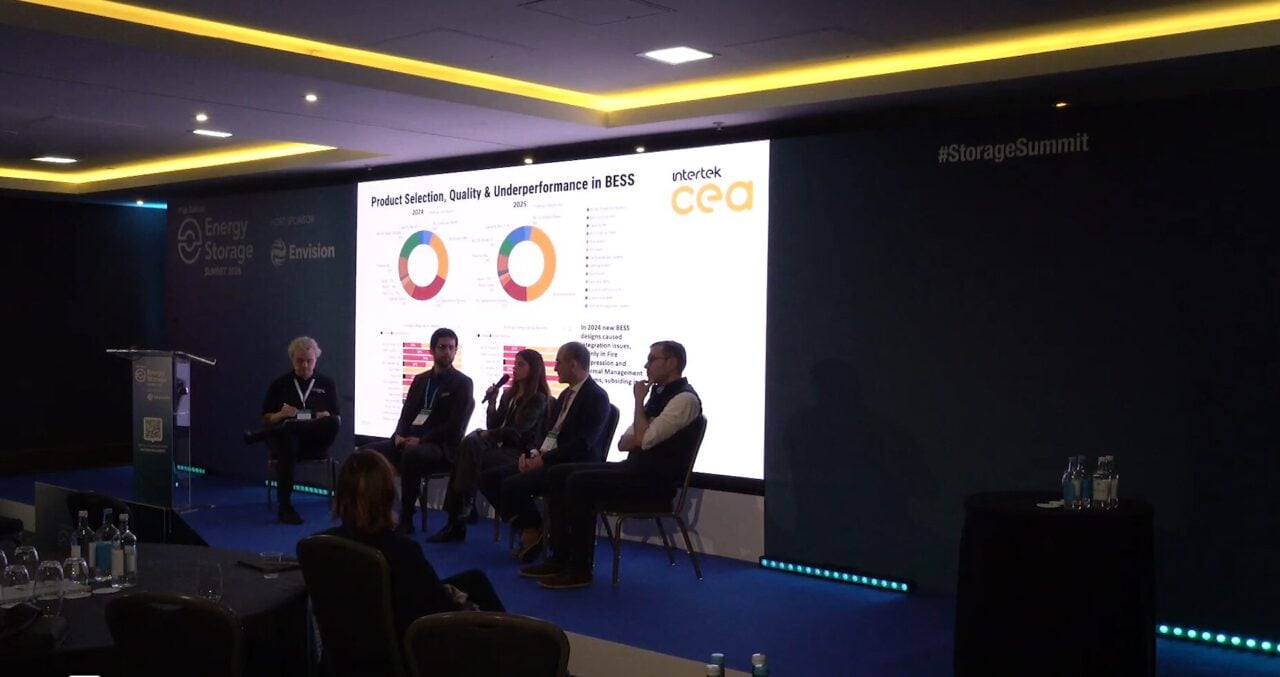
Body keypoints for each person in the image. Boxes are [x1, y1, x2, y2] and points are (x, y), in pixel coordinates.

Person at [520, 340, 701, 589]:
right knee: (558, 473)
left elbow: (644, 440)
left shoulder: (684, 400)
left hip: (653, 482)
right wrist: (640, 433)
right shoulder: (660, 397)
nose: (646, 365)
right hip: (634, 469)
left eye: (652, 360)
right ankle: (559, 556)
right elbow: (624, 442)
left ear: (671, 363)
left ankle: (580, 568)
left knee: (579, 481)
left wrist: (639, 403)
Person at [318, 450, 504, 644]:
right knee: (478, 590)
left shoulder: (322, 544)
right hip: (407, 648)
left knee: (474, 580)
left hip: (354, 645)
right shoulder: (402, 552)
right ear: (388, 495)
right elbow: (437, 609)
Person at [477, 341, 610, 562]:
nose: (555, 368)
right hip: (549, 460)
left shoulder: (596, 397)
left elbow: (582, 445)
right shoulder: (566, 395)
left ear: (573, 364)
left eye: (558, 362)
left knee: (512, 484)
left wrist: (543, 460)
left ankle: (534, 532)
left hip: (572, 466)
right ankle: (532, 528)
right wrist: (534, 456)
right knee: (488, 479)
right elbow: (551, 436)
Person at [425, 348, 551, 543]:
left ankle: (460, 514)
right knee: (469, 446)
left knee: (470, 447)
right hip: (501, 448)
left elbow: (517, 432)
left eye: (521, 364)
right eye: (514, 363)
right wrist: (492, 402)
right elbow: (494, 424)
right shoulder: (509, 394)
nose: (514, 368)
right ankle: (464, 508)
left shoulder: (538, 398)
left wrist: (487, 434)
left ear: (534, 369)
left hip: (521, 452)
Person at [364, 328, 474, 534]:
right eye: (442, 348)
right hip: (411, 441)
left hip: (442, 447)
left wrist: (421, 440)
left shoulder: (463, 383)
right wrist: (398, 435)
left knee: (411, 455)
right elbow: (406, 414)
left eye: (451, 348)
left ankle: (406, 517)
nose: (447, 352)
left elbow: (454, 426)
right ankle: (372, 512)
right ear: (432, 350)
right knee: (367, 453)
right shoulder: (421, 380)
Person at [245, 336, 341, 525]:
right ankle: (285, 508)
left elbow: (335, 417)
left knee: (331, 422)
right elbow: (266, 417)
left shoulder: (327, 384)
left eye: (309, 361)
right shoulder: (280, 384)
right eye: (300, 361)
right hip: (288, 444)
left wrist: (323, 416)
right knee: (286, 435)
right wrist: (280, 414)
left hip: (315, 440)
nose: (305, 365)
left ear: (316, 360)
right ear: (291, 359)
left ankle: (259, 436)